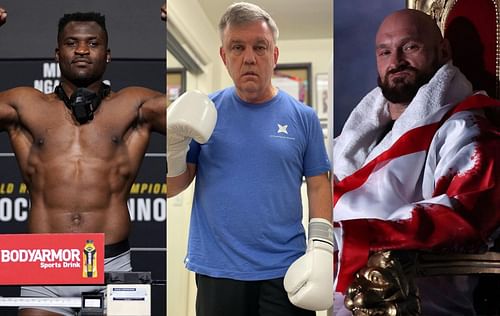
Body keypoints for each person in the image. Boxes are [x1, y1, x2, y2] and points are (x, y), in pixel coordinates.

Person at [167, 2, 333, 315]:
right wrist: (174, 149)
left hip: (287, 268)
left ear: (275, 55)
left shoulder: (304, 117)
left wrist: (322, 249)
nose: (249, 58)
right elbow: (174, 186)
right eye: (237, 47)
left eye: (260, 46)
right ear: (223, 56)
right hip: (218, 269)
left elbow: (318, 185)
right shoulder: (205, 112)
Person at [333, 9, 500, 316]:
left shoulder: (465, 129)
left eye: (410, 47)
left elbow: (466, 212)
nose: (395, 61)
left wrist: (355, 238)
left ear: (444, 51)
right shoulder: (353, 141)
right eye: (385, 51)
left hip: (418, 303)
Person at [0, 8, 166, 316]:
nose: (81, 50)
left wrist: (178, 33)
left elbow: (200, 119)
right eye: (71, 42)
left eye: (92, 43)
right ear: (57, 52)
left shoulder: (134, 106)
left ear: (107, 54)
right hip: (46, 265)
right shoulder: (26, 105)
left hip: (112, 264)